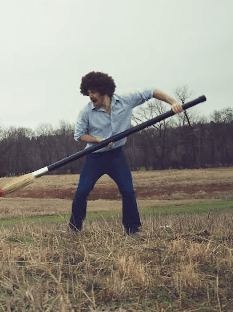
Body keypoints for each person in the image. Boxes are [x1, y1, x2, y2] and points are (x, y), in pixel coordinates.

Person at [69, 72, 183, 236]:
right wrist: (97, 140)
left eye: (93, 91)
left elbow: (151, 92)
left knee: (128, 190)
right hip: (94, 157)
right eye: (87, 92)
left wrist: (173, 102)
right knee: (82, 192)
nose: (90, 96)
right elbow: (78, 135)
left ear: (104, 90)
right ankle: (74, 229)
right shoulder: (86, 112)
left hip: (116, 156)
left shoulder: (125, 101)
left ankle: (133, 229)